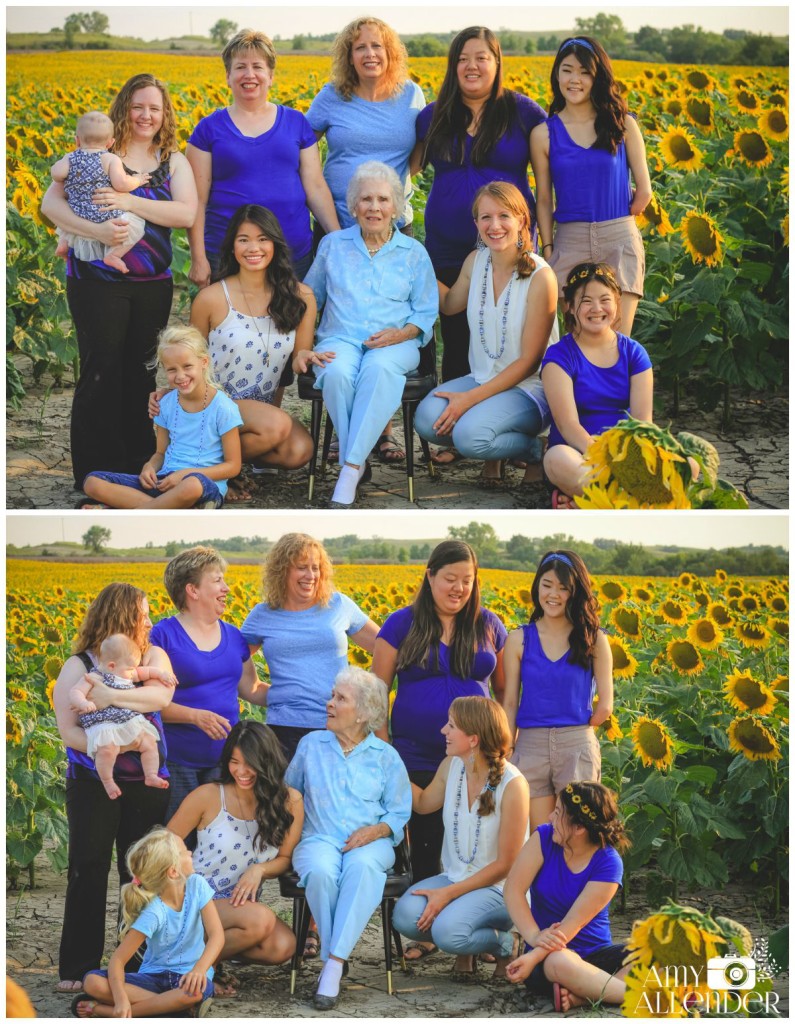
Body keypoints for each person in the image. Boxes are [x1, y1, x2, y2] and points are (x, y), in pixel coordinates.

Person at [40, 73, 198, 490]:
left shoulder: (173, 160)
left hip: (153, 283)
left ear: (165, 115)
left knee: (141, 373)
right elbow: (49, 203)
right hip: (94, 280)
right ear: (124, 108)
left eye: (155, 108)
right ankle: (93, 472)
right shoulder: (95, 153)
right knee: (100, 370)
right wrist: (95, 233)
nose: (146, 115)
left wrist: (128, 201)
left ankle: (134, 467)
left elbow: (185, 214)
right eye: (138, 106)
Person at [371, 540, 507, 960]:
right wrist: (384, 749)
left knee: (480, 838)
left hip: (476, 756)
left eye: (467, 580)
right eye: (450, 579)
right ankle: (428, 933)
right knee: (428, 841)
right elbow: (378, 691)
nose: (459, 588)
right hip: (414, 753)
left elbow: (501, 691)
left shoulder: (488, 625)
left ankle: (477, 925)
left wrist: (504, 742)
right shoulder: (401, 624)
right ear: (429, 576)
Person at [308, 16, 425, 465]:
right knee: (343, 321)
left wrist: (399, 186)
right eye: (360, 48)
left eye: (378, 46)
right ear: (348, 55)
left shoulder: (410, 95)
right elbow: (303, 145)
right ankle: (344, 429)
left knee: (387, 325)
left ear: (390, 51)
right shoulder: (331, 97)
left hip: (393, 224)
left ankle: (383, 429)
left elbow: (419, 149)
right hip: (337, 225)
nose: (370, 54)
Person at [151, 205, 323, 500]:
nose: (253, 248)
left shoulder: (301, 296)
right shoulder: (212, 298)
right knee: (278, 424)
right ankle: (213, 472)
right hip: (214, 403)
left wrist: (304, 357)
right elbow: (187, 357)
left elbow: (300, 353)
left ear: (275, 245)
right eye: (243, 239)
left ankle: (216, 467)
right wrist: (167, 391)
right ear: (232, 246)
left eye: (262, 239)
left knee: (300, 450)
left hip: (258, 410)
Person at [52, 583, 175, 993]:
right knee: (87, 868)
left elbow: (160, 697)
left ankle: (139, 961)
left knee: (140, 872)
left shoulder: (152, 656)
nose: (149, 620)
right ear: (122, 616)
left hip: (145, 782)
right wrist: (113, 743)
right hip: (92, 781)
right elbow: (68, 731)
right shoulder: (78, 665)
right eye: (142, 613)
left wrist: (109, 697)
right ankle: (78, 965)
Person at [412, 26, 547, 394]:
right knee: (456, 337)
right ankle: (452, 426)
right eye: (462, 59)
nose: (471, 66)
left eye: (481, 58)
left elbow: (550, 176)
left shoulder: (523, 114)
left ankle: (517, 419)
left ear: (497, 62)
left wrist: (546, 244)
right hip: (447, 246)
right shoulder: (432, 116)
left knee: (512, 333)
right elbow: (403, 168)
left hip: (509, 245)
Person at [304, 160, 438, 508]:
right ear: (353, 206)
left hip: (397, 342)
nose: (374, 207)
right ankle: (357, 458)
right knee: (335, 373)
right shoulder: (333, 245)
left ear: (396, 206)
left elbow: (425, 312)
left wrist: (399, 334)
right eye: (366, 199)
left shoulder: (414, 253)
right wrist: (303, 347)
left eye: (382, 199)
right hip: (341, 339)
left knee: (378, 369)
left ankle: (349, 467)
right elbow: (308, 298)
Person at [415, 182, 558, 488]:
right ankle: (495, 446)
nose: (494, 226)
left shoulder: (541, 276)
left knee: (468, 437)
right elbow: (451, 304)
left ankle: (537, 450)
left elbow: (532, 361)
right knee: (426, 421)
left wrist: (468, 400)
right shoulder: (475, 261)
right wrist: (416, 266)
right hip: (482, 377)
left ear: (522, 220)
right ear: (476, 223)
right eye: (485, 217)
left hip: (529, 390)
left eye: (504, 216)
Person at [285, 668, 412, 1010]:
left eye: (340, 698)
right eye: (332, 695)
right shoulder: (311, 745)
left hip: (370, 840)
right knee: (322, 872)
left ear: (364, 713)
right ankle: (336, 960)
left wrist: (377, 831)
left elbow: (399, 812)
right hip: (319, 837)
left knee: (363, 869)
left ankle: (333, 964)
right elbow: (290, 793)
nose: (329, 703)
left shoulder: (386, 757)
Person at [187, 28, 339, 287]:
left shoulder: (296, 123)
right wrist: (198, 257)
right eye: (240, 67)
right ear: (228, 76)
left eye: (257, 66)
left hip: (291, 253)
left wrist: (337, 239)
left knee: (291, 324)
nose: (249, 75)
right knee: (230, 327)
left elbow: (314, 186)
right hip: (227, 254)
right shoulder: (208, 129)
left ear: (270, 76)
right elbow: (197, 201)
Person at [392, 697, 529, 979]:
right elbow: (422, 803)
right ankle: (466, 944)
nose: (443, 730)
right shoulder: (451, 766)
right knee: (404, 916)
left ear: (474, 739)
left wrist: (447, 895)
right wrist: (388, 768)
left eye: (451, 725)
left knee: (446, 933)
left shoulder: (513, 785)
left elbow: (506, 865)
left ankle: (508, 944)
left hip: (499, 889)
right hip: (454, 877)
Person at [168, 722, 303, 993]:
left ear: (267, 762)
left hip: (237, 905)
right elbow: (162, 845)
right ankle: (191, 972)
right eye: (234, 762)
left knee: (282, 946)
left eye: (250, 763)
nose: (241, 772)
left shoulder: (290, 801)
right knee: (260, 920)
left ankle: (196, 961)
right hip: (195, 899)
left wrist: (259, 870)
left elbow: (286, 857)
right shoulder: (208, 796)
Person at [530, 36, 652, 333]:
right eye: (567, 70)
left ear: (598, 76)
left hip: (618, 237)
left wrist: (618, 222)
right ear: (556, 73)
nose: (575, 79)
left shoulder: (623, 125)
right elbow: (544, 199)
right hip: (569, 241)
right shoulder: (543, 134)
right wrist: (548, 249)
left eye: (585, 72)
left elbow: (644, 191)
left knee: (617, 339)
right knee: (580, 340)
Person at [149, 547, 268, 824]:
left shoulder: (234, 636)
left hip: (225, 761)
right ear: (192, 590)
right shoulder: (163, 636)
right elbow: (150, 702)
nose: (226, 588)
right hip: (177, 761)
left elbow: (251, 688)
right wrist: (194, 716)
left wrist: (295, 694)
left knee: (219, 838)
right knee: (179, 839)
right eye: (217, 580)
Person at [241, 532, 379, 763]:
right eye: (302, 567)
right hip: (284, 728)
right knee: (289, 797)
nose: (310, 575)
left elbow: (385, 647)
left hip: (339, 726)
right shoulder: (263, 614)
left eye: (315, 568)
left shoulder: (339, 605)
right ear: (282, 570)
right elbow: (233, 662)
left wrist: (365, 694)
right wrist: (268, 694)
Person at [502, 550, 612, 832]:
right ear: (537, 586)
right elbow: (510, 701)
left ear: (576, 592)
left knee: (578, 833)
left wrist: (573, 734)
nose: (554, 594)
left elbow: (605, 707)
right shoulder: (518, 639)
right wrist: (507, 745)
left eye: (563, 588)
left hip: (576, 745)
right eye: (547, 585)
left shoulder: (594, 639)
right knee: (541, 836)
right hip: (530, 747)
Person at [503, 782, 633, 1013]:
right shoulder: (543, 838)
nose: (550, 817)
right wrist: (535, 939)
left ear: (579, 828)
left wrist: (534, 956)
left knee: (654, 949)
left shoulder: (609, 862)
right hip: (547, 961)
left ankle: (583, 997)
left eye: (558, 812)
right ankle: (629, 993)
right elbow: (513, 890)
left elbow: (573, 924)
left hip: (596, 958)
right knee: (558, 961)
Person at [82, 325, 243, 509]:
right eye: (172, 369)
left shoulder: (223, 407)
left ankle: (127, 512)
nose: (180, 375)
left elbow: (233, 466)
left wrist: (184, 475)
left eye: (187, 366)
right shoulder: (166, 404)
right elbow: (160, 453)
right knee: (92, 482)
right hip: (164, 482)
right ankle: (171, 509)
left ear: (204, 362)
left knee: (191, 486)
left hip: (202, 485)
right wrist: (149, 467)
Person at [73, 828, 224, 1019]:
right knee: (92, 982)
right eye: (185, 851)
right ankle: (172, 1008)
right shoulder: (154, 911)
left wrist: (200, 970)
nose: (190, 852)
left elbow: (217, 935)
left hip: (189, 978)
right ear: (173, 871)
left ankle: (105, 1011)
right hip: (153, 978)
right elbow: (118, 960)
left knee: (193, 992)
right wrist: (121, 999)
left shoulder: (198, 885)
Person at [540, 262, 653, 508]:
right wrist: (606, 461)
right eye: (586, 301)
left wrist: (628, 461)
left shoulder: (634, 353)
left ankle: (587, 500)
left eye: (605, 299)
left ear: (616, 302)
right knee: (556, 459)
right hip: (579, 455)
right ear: (569, 306)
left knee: (691, 464)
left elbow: (643, 423)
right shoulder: (558, 357)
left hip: (627, 456)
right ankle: (625, 499)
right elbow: (568, 425)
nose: (597, 308)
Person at [69, 633, 177, 799]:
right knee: (107, 750)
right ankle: (107, 780)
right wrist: (83, 703)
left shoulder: (127, 671)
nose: (134, 672)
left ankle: (151, 775)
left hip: (128, 720)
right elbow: (75, 692)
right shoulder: (94, 677)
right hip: (105, 723)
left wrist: (162, 674)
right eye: (130, 668)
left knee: (149, 741)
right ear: (112, 666)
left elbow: (146, 672)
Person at [51, 111, 150, 272]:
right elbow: (121, 184)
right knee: (137, 225)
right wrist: (138, 180)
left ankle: (63, 243)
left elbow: (56, 174)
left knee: (65, 218)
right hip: (104, 214)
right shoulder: (110, 159)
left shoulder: (71, 158)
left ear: (77, 140)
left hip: (77, 213)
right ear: (110, 143)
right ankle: (113, 255)